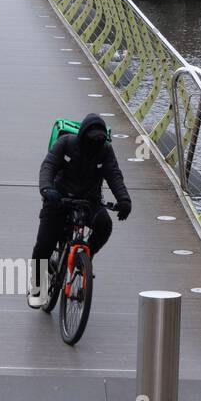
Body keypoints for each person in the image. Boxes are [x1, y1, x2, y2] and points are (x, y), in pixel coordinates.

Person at [27, 113, 133, 309]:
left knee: (104, 225)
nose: (95, 145)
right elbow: (48, 165)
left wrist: (124, 200)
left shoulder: (105, 151)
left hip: (88, 201)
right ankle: (37, 287)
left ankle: (84, 258)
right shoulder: (66, 143)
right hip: (59, 198)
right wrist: (47, 189)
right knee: (44, 245)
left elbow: (114, 175)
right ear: (83, 136)